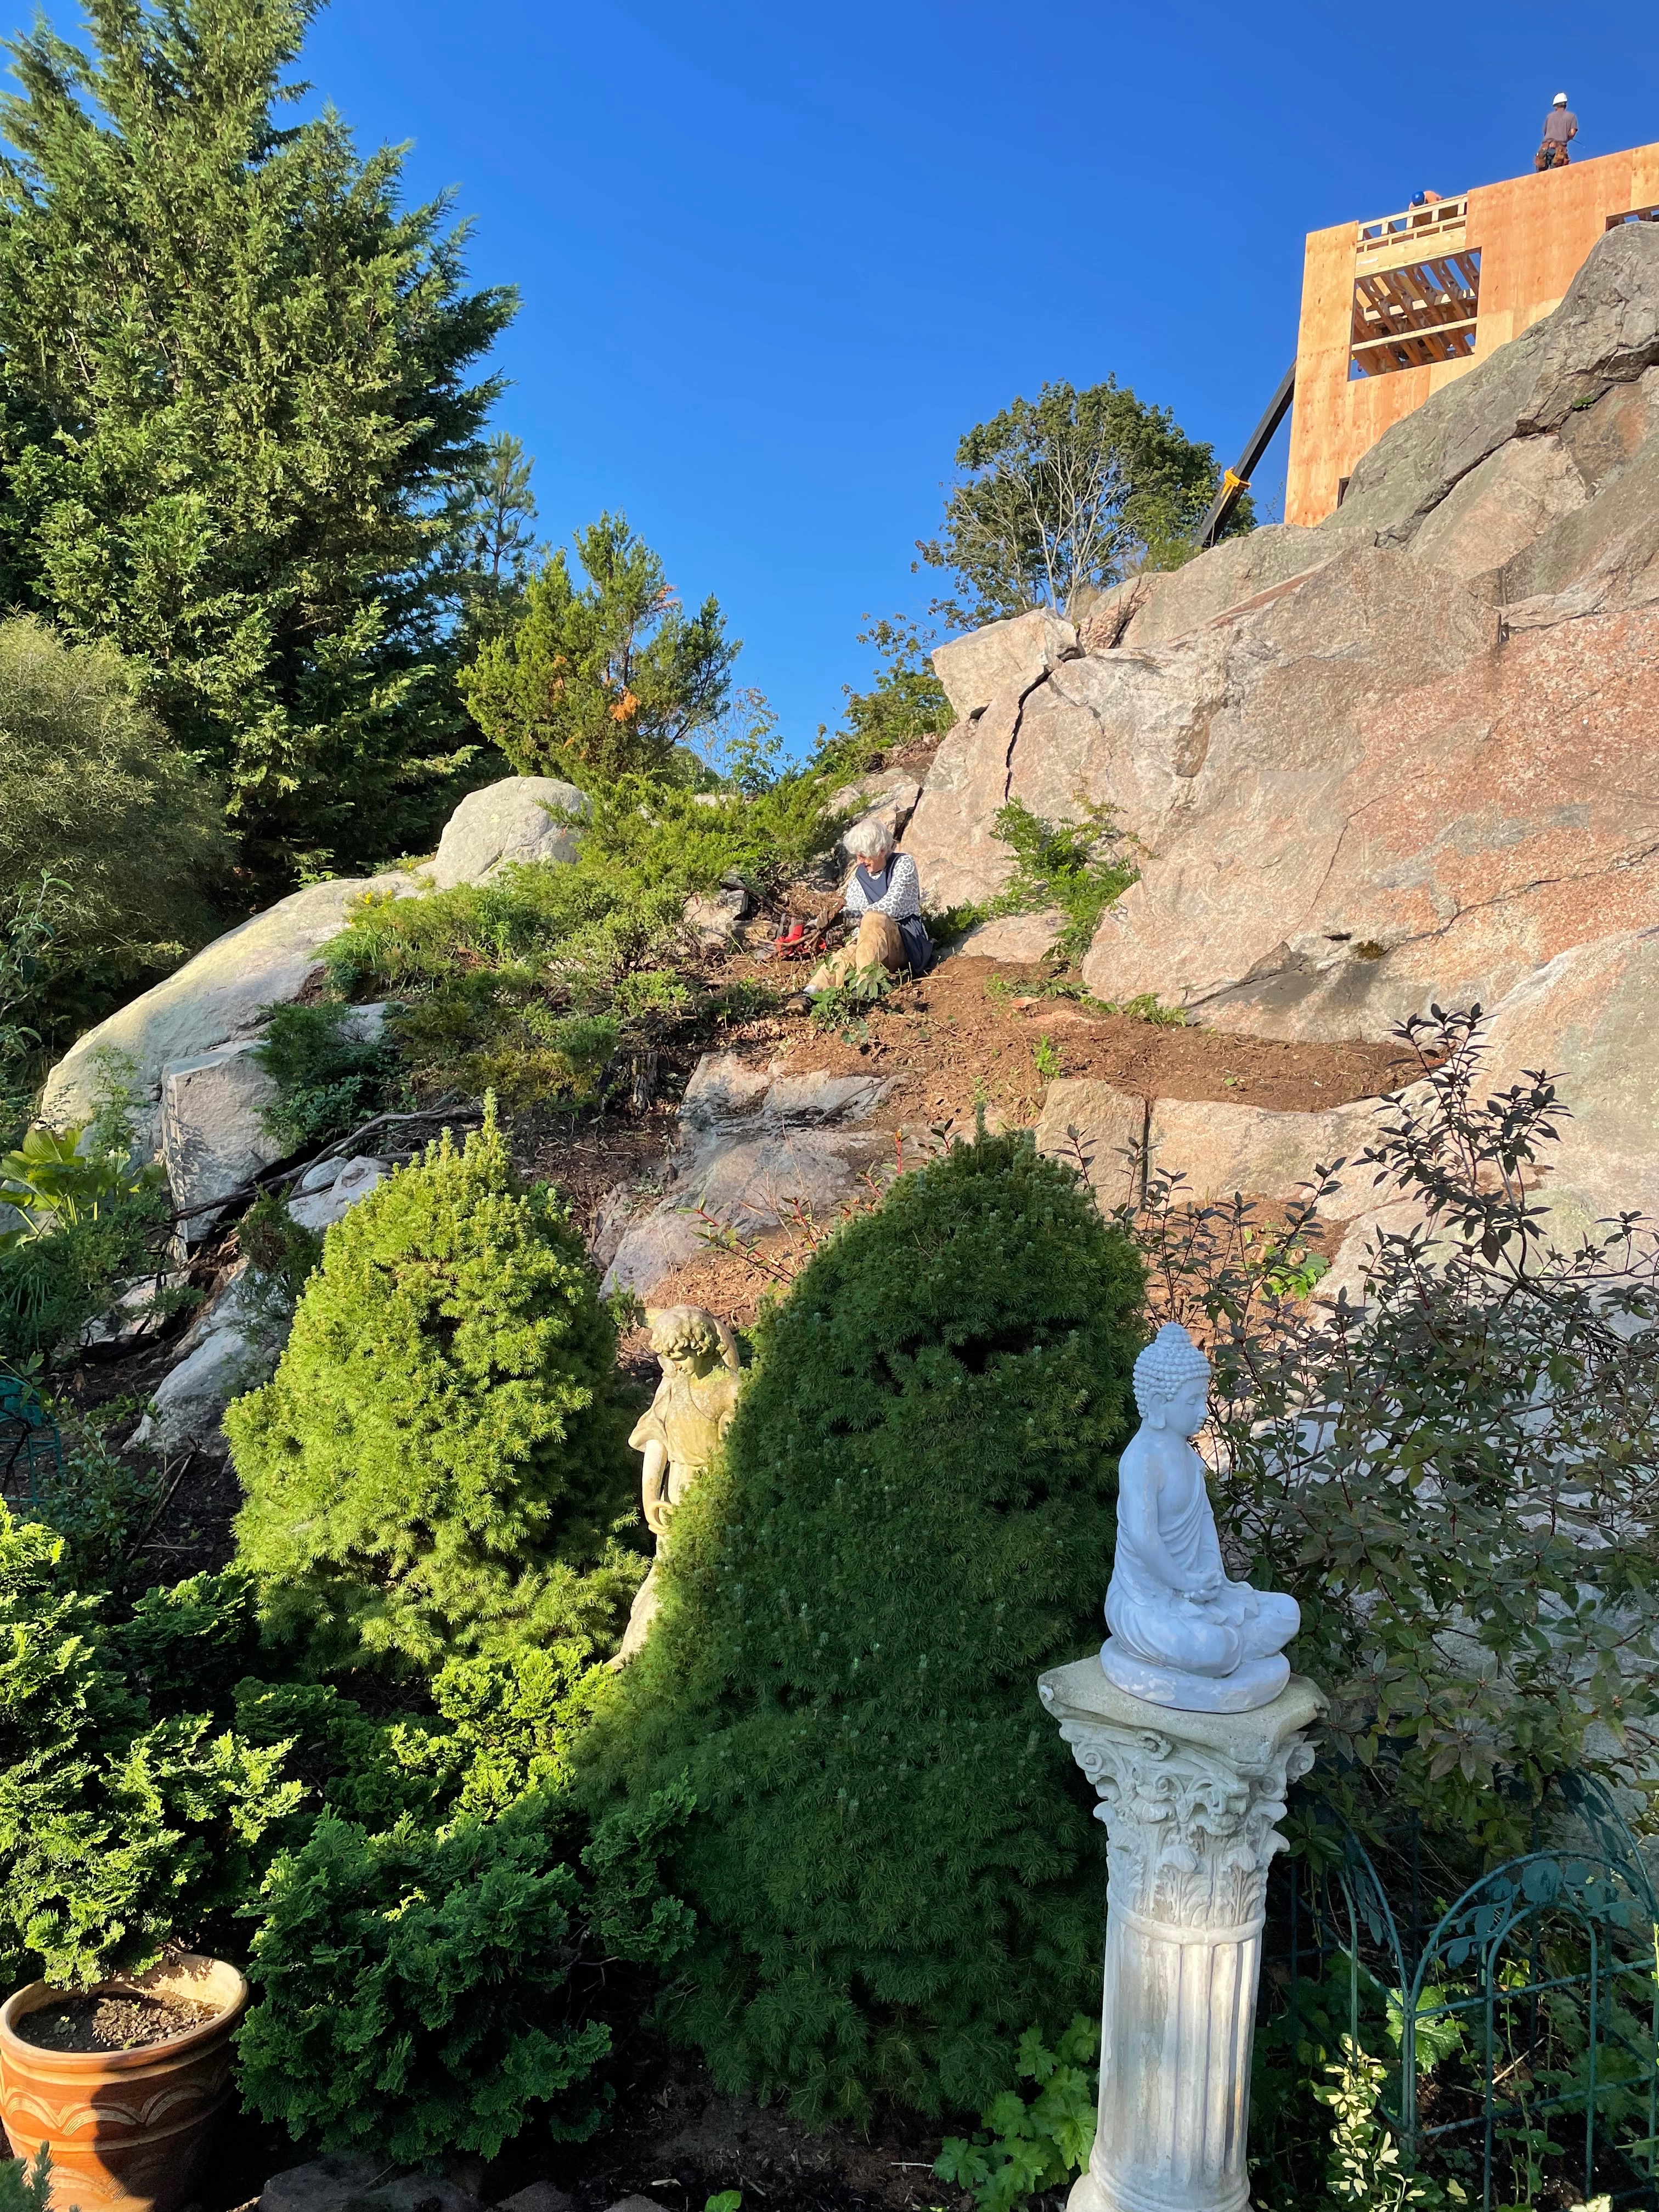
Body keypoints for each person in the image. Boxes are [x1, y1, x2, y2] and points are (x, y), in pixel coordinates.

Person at [804, 817, 933, 994]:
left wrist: (846, 918)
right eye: (857, 856)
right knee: (845, 955)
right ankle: (810, 992)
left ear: (881, 851)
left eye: (863, 856)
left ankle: (863, 988)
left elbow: (890, 907)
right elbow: (852, 910)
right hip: (873, 947)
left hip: (906, 945)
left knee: (873, 919)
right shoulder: (861, 876)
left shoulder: (903, 864)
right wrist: (828, 921)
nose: (859, 862)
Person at [1537, 93, 1577, 171]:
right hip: (1559, 150)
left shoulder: (1549, 117)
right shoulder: (1571, 116)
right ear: (1565, 105)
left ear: (1555, 106)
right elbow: (1573, 133)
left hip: (1545, 149)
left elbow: (1545, 133)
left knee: (1541, 172)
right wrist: (1567, 137)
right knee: (1557, 173)